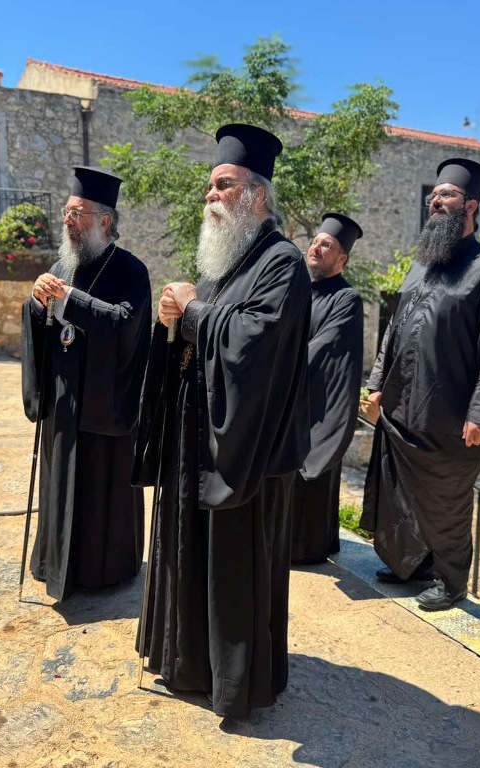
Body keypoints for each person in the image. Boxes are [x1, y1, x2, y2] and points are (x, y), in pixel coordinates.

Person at [133, 124, 311, 718]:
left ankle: (234, 682)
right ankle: (186, 660)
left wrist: (192, 311)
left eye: (223, 185)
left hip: (245, 451)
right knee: (189, 556)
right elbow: (197, 333)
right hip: (197, 441)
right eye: (209, 186)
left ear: (257, 195)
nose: (210, 195)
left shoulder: (283, 262)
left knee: (233, 569)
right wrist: (171, 321)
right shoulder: (222, 263)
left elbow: (252, 343)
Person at [360, 158, 480, 611]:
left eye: (446, 194)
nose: (435, 200)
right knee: (401, 493)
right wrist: (377, 382)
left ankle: (451, 583)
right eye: (433, 194)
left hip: (449, 413)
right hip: (403, 403)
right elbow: (393, 328)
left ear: (471, 205)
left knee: (445, 499)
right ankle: (410, 564)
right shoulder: (420, 265)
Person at [21, 166, 152, 602]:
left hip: (104, 405)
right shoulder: (62, 266)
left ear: (105, 221)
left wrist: (69, 300)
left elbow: (125, 324)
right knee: (60, 484)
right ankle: (56, 561)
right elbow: (43, 319)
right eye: (66, 212)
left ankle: (104, 570)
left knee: (99, 493)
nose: (68, 221)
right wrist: (37, 302)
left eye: (77, 213)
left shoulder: (131, 270)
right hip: (64, 402)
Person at [291, 213, 365, 565]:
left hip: (319, 405)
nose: (316, 248)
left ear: (341, 259)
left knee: (313, 479)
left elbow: (325, 348)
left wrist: (280, 366)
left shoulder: (346, 299)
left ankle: (309, 548)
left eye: (327, 245)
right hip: (289, 400)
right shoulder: (297, 290)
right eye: (315, 242)